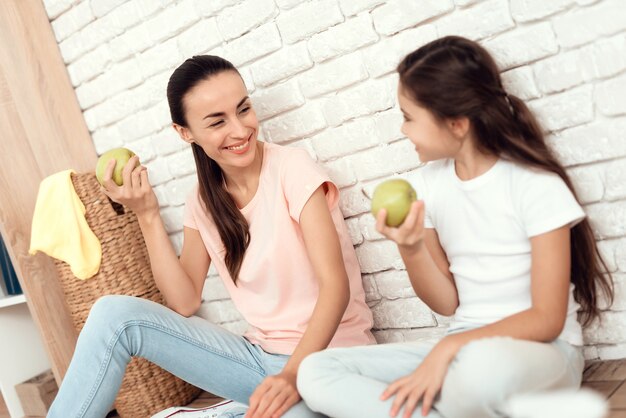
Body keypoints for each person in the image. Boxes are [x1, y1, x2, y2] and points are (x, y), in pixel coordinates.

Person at [296, 35, 614, 418]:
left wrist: (450, 349)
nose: (403, 130)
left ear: (457, 124)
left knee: (477, 375)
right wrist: (410, 248)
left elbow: (547, 319)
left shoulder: (534, 185)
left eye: (409, 117)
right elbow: (447, 303)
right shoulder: (427, 188)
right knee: (317, 371)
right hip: (463, 346)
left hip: (544, 353)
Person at [47, 55, 375, 418]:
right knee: (114, 314)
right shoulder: (201, 202)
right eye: (218, 121)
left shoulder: (293, 169)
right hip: (260, 364)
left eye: (243, 109)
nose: (240, 130)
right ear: (184, 132)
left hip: (327, 363)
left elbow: (336, 286)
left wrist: (291, 377)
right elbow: (185, 301)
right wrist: (147, 213)